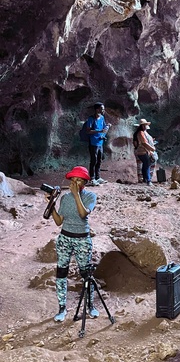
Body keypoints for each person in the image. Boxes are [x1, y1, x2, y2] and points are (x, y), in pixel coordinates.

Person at [46, 166, 98, 322]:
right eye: (73, 179)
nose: (75, 182)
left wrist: (76, 195)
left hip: (82, 239)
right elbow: (58, 221)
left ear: (85, 182)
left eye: (79, 179)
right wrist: (52, 205)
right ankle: (62, 308)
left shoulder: (90, 196)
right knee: (61, 273)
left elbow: (83, 214)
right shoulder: (65, 198)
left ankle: (90, 306)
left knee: (86, 274)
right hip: (65, 239)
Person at [85, 102, 109, 186]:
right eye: (101, 108)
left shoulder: (102, 118)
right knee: (93, 160)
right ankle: (92, 178)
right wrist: (99, 131)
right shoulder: (91, 119)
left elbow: (104, 128)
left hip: (100, 142)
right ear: (97, 109)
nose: (103, 110)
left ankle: (98, 177)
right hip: (93, 142)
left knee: (99, 160)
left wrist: (104, 132)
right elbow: (88, 131)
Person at [133, 119, 157, 185]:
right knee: (147, 164)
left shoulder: (141, 133)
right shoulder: (141, 133)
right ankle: (148, 180)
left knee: (145, 165)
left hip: (143, 151)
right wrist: (152, 148)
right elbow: (144, 143)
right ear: (143, 126)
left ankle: (145, 179)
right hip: (143, 151)